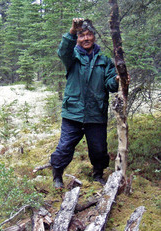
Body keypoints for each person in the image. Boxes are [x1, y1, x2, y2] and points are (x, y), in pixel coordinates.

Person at [50, 18, 119, 188]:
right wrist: (72, 32)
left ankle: (97, 175)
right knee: (64, 147)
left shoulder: (105, 60)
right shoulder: (72, 57)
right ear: (78, 39)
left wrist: (119, 79)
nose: (86, 38)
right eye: (82, 36)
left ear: (94, 37)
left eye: (89, 35)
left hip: (96, 113)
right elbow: (63, 50)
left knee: (99, 149)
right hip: (73, 113)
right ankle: (57, 176)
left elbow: (111, 85)